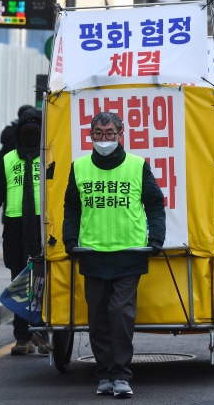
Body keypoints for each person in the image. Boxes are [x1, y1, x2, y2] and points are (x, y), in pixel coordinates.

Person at [62, 112, 166, 398]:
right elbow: (71, 208)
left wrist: (156, 237)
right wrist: (70, 238)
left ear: (121, 135)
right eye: (98, 133)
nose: (104, 138)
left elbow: (155, 204)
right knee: (97, 317)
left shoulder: (136, 166)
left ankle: (120, 374)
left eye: (109, 133)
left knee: (119, 313)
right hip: (93, 254)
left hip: (128, 254)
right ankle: (104, 373)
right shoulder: (79, 167)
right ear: (91, 135)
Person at [0, 108, 48, 355]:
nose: (31, 135)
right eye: (26, 131)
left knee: (45, 282)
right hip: (16, 228)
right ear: (19, 133)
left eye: (35, 131)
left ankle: (44, 334)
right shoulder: (9, 159)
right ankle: (23, 338)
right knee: (20, 283)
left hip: (44, 226)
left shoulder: (51, 156)